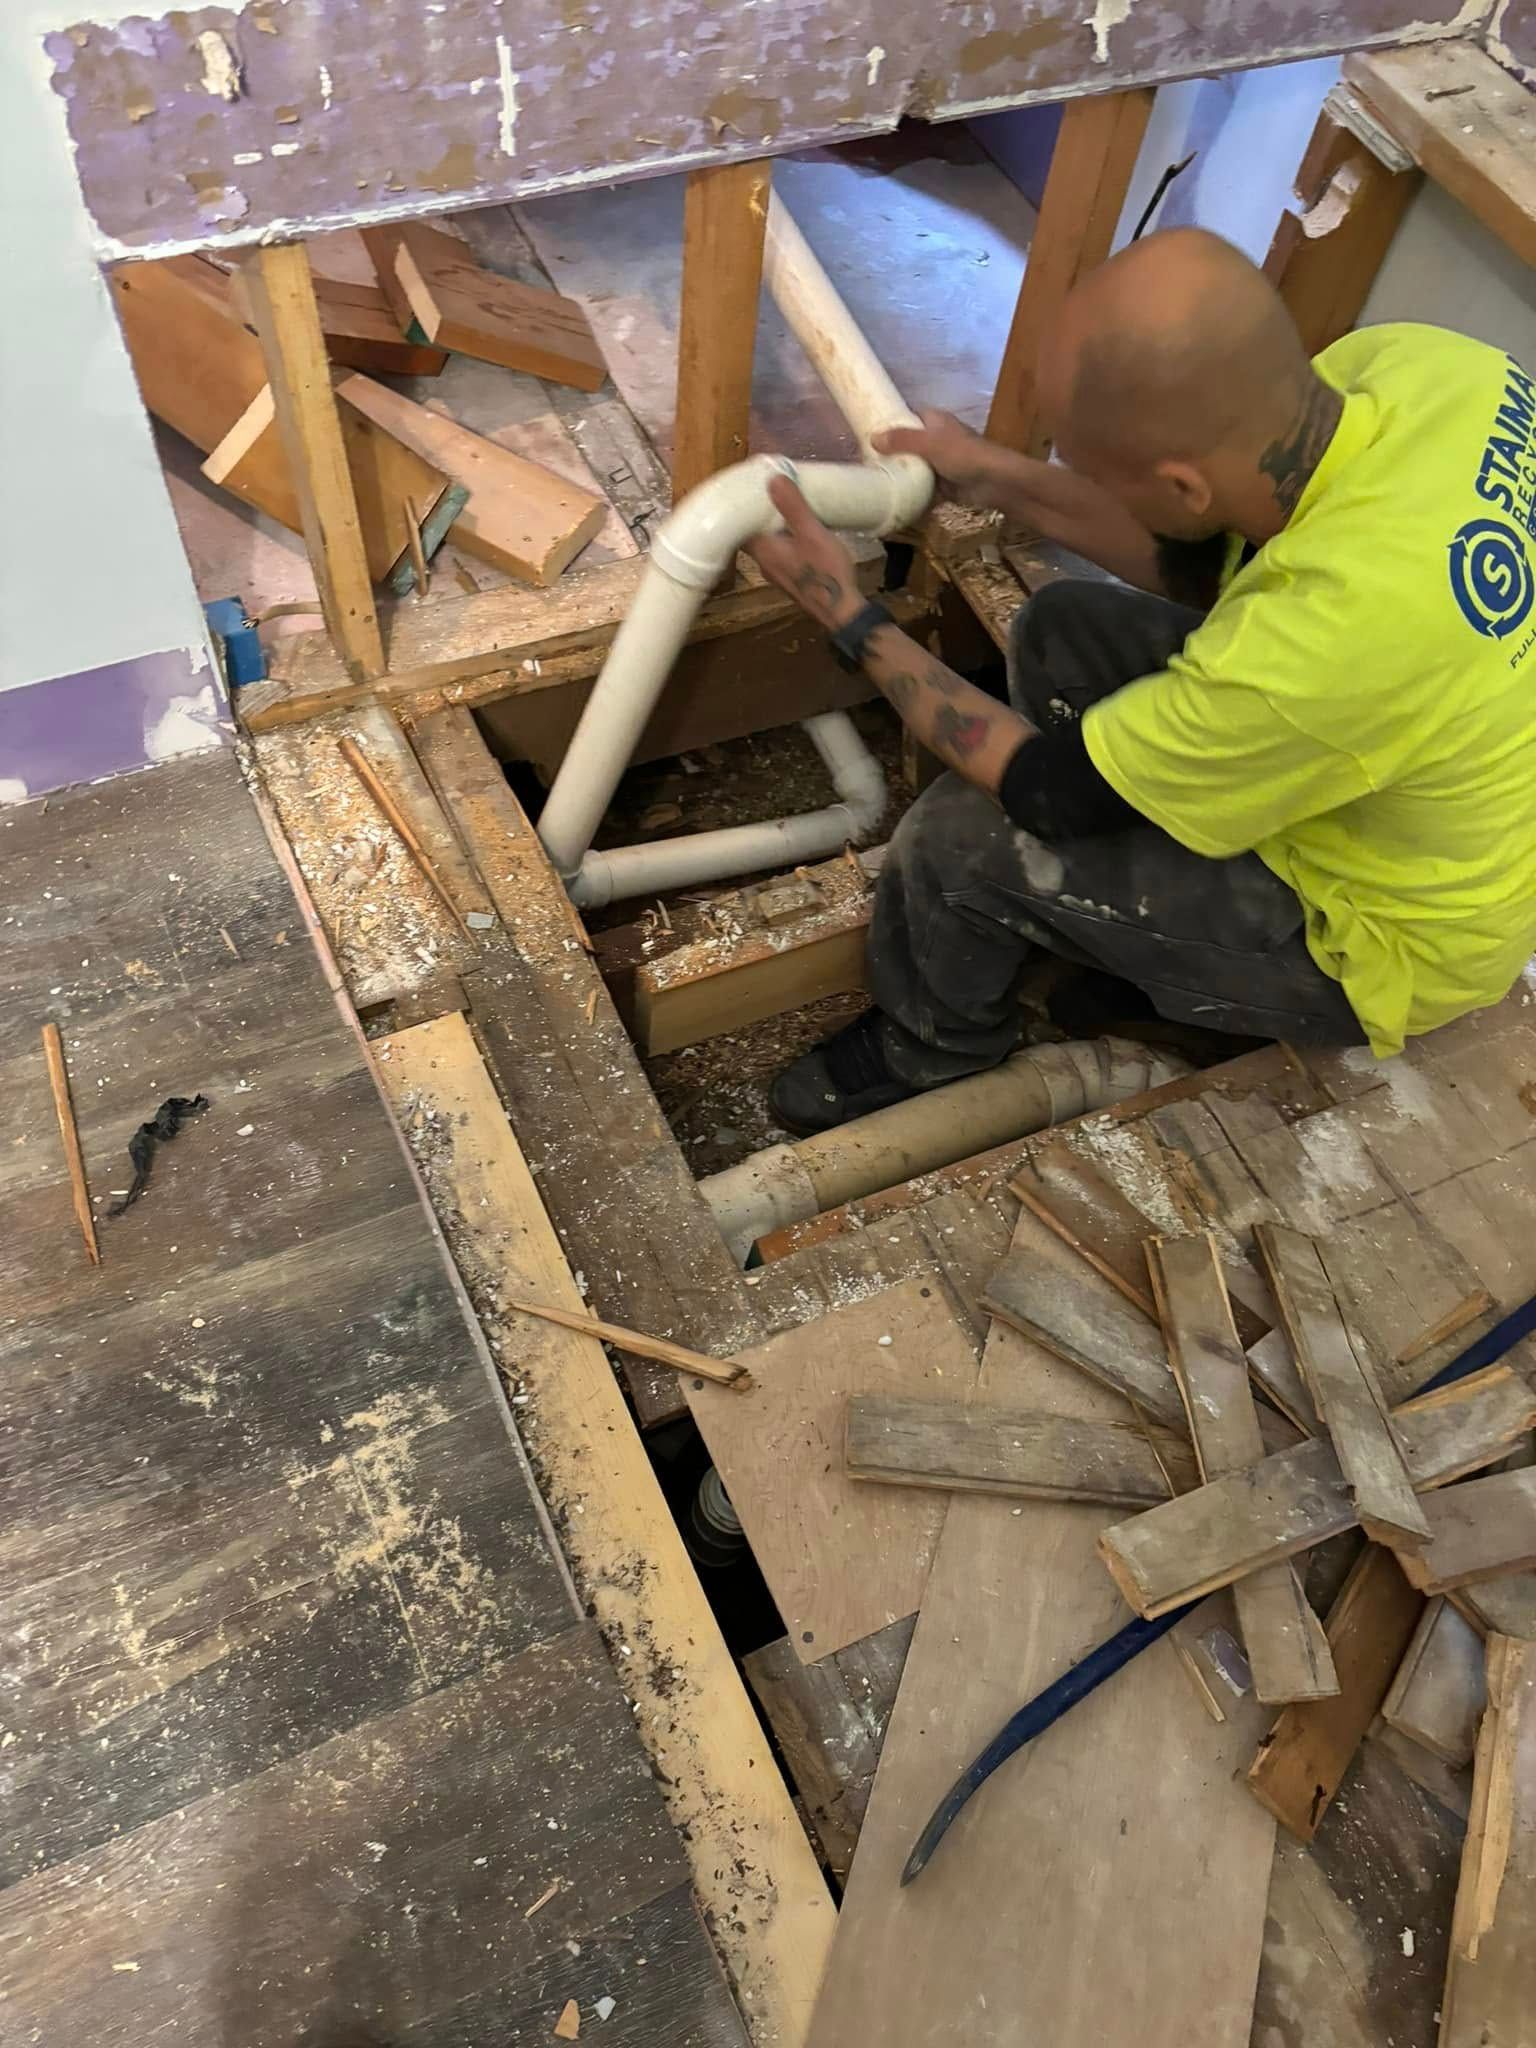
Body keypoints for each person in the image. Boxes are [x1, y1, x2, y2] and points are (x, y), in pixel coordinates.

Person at [748, 227, 1536, 1135]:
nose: (1079, 479)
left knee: (957, 845)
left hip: (1373, 935)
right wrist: (995, 473)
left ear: (1183, 485)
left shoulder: (1321, 648)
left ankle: (935, 1047)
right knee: (1064, 628)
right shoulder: (1423, 369)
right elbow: (1200, 563)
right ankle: (1114, 933)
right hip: (1382, 775)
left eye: (1094, 471)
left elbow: (1045, 791)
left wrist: (850, 619)